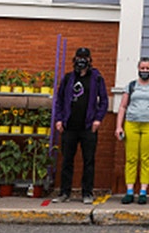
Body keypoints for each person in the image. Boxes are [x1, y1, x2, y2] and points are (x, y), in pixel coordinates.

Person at [53, 47, 109, 205]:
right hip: (69, 127)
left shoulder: (97, 78)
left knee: (89, 161)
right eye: (79, 57)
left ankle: (87, 192)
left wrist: (98, 120)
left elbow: (104, 101)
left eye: (85, 57)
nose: (81, 60)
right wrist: (59, 120)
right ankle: (64, 192)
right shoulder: (68, 78)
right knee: (67, 161)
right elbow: (59, 100)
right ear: (74, 59)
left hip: (88, 128)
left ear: (90, 60)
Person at [114, 57, 149, 205]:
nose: (145, 71)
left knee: (146, 159)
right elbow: (122, 107)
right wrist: (119, 126)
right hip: (131, 124)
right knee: (131, 158)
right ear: (138, 69)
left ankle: (143, 191)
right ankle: (129, 191)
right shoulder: (131, 86)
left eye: (147, 68)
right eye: (142, 68)